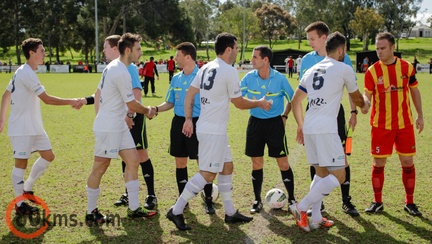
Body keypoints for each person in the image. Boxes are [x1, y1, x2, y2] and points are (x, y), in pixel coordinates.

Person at [166, 32, 272, 231]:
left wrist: (189, 119)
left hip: (212, 129)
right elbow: (239, 102)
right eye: (237, 48)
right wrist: (260, 102)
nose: (238, 52)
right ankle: (176, 210)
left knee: (227, 167)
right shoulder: (228, 70)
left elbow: (190, 94)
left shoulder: (205, 67)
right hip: (212, 131)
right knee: (207, 174)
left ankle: (230, 213)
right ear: (229, 49)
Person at [290, 32, 366, 232]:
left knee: (321, 173)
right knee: (339, 175)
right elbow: (358, 99)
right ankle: (301, 207)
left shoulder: (312, 69)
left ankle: (316, 217)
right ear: (341, 50)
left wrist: (301, 124)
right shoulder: (343, 68)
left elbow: (295, 101)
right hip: (327, 129)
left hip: (311, 127)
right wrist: (365, 103)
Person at [0, 38, 81, 215]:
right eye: (42, 50)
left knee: (48, 155)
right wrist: (71, 101)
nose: (45, 54)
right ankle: (20, 204)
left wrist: (1, 119)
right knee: (21, 163)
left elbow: (6, 95)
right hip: (22, 128)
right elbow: (47, 99)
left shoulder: (24, 71)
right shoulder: (25, 73)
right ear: (32, 53)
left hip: (34, 126)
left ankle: (27, 188)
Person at [84, 33, 158, 224]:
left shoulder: (116, 67)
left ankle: (134, 208)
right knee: (100, 167)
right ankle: (91, 211)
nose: (141, 53)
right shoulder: (120, 71)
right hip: (109, 126)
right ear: (128, 50)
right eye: (138, 49)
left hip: (118, 125)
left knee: (133, 161)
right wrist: (148, 110)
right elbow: (132, 104)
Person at [362, 32, 424, 216]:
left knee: (407, 161)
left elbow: (414, 91)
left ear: (392, 48)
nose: (379, 52)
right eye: (377, 49)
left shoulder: (407, 67)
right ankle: (377, 201)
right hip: (380, 125)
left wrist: (420, 116)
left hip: (404, 124)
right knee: (379, 163)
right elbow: (367, 95)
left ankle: (410, 202)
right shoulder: (372, 71)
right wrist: (365, 103)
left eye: (382, 48)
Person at [151, 42, 215, 214]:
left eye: (178, 55)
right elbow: (170, 101)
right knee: (180, 162)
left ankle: (209, 200)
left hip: (198, 122)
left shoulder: (203, 77)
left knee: (203, 163)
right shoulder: (176, 78)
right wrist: (156, 109)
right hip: (179, 123)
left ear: (187, 57)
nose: (175, 59)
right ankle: (183, 199)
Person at [240, 45, 296, 214]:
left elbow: (293, 99)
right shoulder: (248, 78)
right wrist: (256, 102)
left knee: (283, 163)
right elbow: (238, 97)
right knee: (256, 163)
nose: (252, 60)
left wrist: (284, 116)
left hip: (274, 125)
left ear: (265, 60)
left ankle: (292, 198)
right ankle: (257, 200)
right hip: (255, 124)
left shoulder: (280, 79)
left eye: (255, 57)